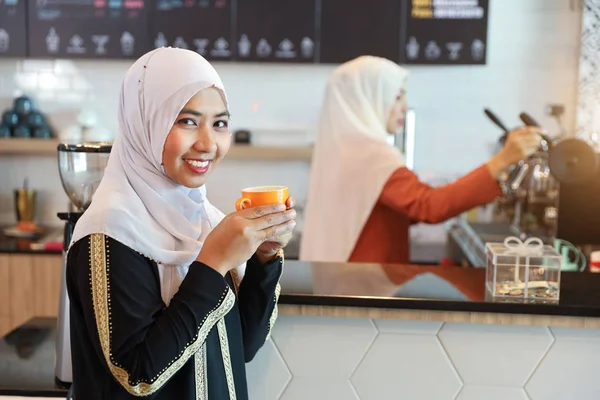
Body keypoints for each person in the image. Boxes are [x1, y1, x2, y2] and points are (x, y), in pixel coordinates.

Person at [66, 47, 296, 399]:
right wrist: (213, 263)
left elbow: (243, 345)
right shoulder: (108, 232)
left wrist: (264, 258)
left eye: (219, 124)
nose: (208, 143)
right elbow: (137, 373)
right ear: (145, 123)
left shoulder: (206, 221)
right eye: (187, 121)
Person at [300, 55, 543, 264]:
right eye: (397, 97)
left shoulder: (348, 148)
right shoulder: (371, 153)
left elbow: (404, 208)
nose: (405, 107)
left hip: (346, 273)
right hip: (367, 280)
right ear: (366, 99)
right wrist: (503, 160)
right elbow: (429, 207)